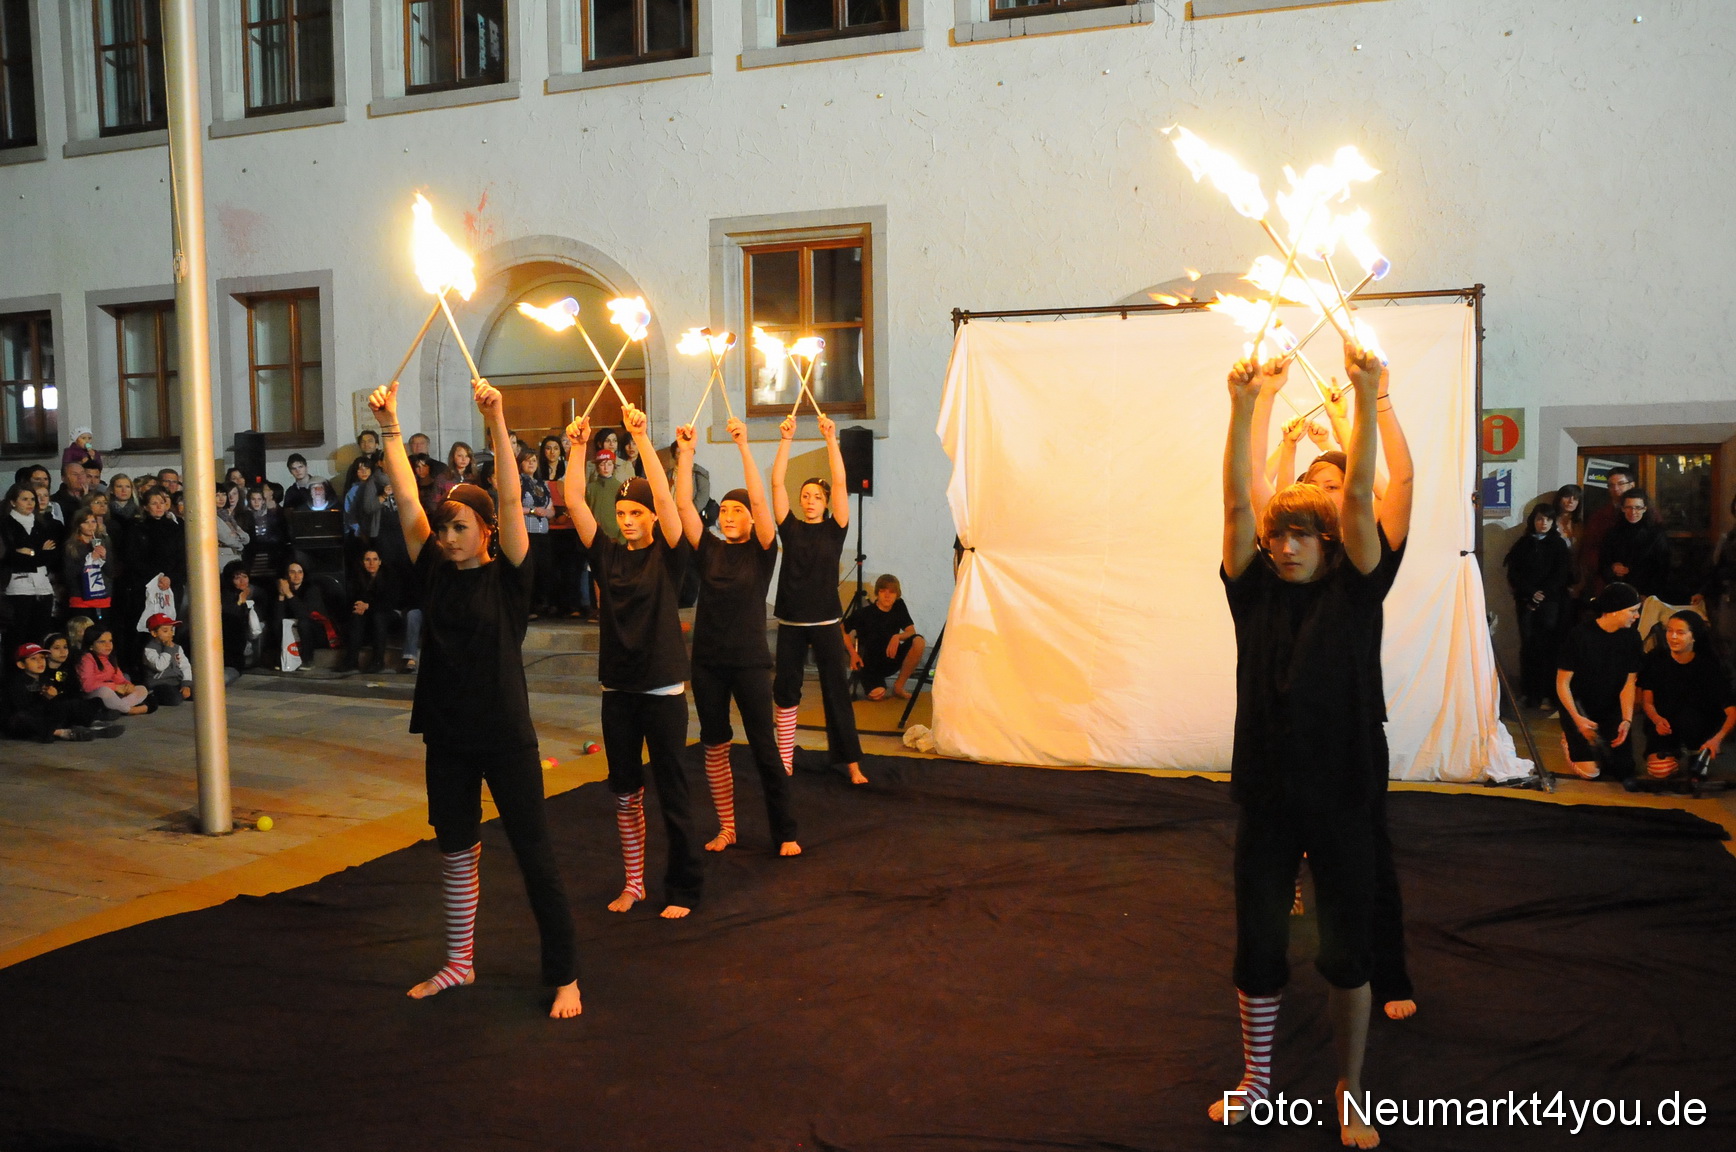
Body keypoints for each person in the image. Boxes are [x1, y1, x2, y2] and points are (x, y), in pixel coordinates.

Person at [1212, 341, 1390, 1148]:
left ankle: (1353, 1091)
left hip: (1344, 795)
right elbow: (1236, 510)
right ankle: (1258, 1079)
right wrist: (1245, 407)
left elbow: (1359, 503)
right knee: (1260, 942)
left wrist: (1364, 396)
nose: (1282, 546)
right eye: (1277, 535)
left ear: (1328, 546)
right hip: (1270, 797)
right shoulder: (1253, 596)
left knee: (1349, 952)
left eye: (1298, 537)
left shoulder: (1356, 593)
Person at [369, 376, 581, 1019]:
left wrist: (497, 419)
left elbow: (513, 499)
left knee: (534, 853)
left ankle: (565, 974)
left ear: (486, 530)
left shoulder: (510, 576)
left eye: (458, 527)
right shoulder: (433, 567)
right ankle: (460, 961)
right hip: (447, 733)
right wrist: (390, 426)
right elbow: (407, 495)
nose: (446, 535)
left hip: (504, 734)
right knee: (455, 847)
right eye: (442, 528)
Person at [563, 407, 702, 918]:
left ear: (650, 518)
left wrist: (642, 439)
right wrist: (575, 446)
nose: (626, 522)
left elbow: (668, 500)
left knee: (672, 793)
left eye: (634, 515)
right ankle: (635, 882)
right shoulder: (607, 554)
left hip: (662, 689)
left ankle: (684, 889)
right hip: (617, 690)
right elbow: (574, 500)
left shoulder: (667, 553)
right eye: (622, 515)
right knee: (624, 793)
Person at [677, 416, 800, 858]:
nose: (728, 516)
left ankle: (784, 830)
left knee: (765, 748)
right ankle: (727, 827)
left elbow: (764, 504)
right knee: (714, 743)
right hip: (708, 662)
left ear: (751, 520)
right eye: (725, 510)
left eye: (738, 511)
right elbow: (684, 508)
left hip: (749, 662)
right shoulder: (708, 548)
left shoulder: (763, 551)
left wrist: (744, 446)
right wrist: (686, 455)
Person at [769, 414, 868, 785]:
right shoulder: (789, 525)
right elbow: (776, 481)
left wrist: (831, 440)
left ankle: (851, 761)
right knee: (785, 689)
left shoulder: (835, 527)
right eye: (806, 496)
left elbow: (841, 480)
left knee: (836, 691)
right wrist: (786, 439)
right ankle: (784, 758)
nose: (810, 501)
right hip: (792, 620)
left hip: (826, 621)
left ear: (827, 503)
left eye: (817, 497)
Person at [1637, 610, 1735, 791]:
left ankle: (1695, 753)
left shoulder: (1710, 666)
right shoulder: (1656, 659)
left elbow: (1731, 711)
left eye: (1681, 632)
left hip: (1697, 724)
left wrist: (1717, 739)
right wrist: (1657, 719)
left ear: (1694, 636)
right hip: (1664, 723)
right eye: (1669, 631)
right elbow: (1647, 701)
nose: (1673, 637)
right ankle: (1674, 753)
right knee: (1660, 770)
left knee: (1696, 764)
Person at [1556, 582, 1645, 782]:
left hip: (1610, 706)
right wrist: (1577, 719)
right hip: (1580, 707)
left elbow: (1628, 683)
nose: (1637, 616)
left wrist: (1626, 720)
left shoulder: (1632, 637)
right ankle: (1568, 740)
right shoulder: (1580, 635)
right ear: (1614, 611)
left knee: (1623, 770)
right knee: (1591, 772)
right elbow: (1562, 684)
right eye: (1632, 611)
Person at [1504, 503, 1574, 709]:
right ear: (1533, 521)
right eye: (1539, 519)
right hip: (1526, 602)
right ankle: (1529, 693)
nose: (1543, 523)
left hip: (1551, 603)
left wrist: (1542, 594)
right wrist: (1530, 593)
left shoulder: (1558, 544)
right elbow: (1513, 573)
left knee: (1548, 647)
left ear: (1553, 522)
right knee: (1528, 647)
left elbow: (1561, 574)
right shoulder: (1523, 544)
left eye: (1547, 520)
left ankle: (1548, 694)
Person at [5, 643, 120, 743]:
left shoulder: (45, 679)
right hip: (28, 722)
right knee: (21, 718)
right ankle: (63, 733)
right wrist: (46, 699)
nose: (40, 662)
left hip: (46, 716)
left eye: (42, 658)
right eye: (33, 659)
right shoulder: (16, 683)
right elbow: (25, 708)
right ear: (21, 664)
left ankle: (92, 722)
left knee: (75, 703)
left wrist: (54, 698)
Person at [844, 575, 925, 700]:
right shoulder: (864, 614)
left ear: (897, 594)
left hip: (891, 657)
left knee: (918, 641)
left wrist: (897, 637)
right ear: (877, 593)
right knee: (878, 695)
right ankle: (874, 683)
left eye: (892, 592)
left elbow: (911, 631)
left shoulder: (899, 606)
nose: (887, 596)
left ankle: (899, 686)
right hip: (871, 665)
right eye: (883, 591)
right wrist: (853, 654)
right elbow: (841, 629)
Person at [3, 483, 58, 659]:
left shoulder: (41, 525)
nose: (30, 503)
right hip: (17, 586)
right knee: (18, 635)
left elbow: (51, 555)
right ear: (13, 502)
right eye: (24, 499)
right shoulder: (5, 525)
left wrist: (32, 552)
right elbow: (10, 557)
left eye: (32, 499)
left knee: (39, 634)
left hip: (42, 584)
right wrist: (39, 553)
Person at [537, 434, 585, 620]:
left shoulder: (568, 468)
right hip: (547, 527)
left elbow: (578, 493)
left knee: (571, 568)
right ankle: (553, 604)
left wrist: (565, 515)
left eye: (556, 448)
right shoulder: (538, 471)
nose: (552, 452)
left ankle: (573, 604)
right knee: (551, 568)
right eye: (548, 448)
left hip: (569, 525)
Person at [1600, 487, 1672, 600]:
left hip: (1649, 594)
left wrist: (1648, 594)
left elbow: (1663, 569)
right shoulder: (1613, 533)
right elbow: (1603, 562)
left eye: (1638, 508)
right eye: (1629, 507)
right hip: (1620, 592)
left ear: (1645, 509)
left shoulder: (1656, 534)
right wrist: (1613, 568)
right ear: (1622, 509)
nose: (1633, 512)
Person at [1578, 466, 1635, 595]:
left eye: (1621, 484)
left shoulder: (1646, 513)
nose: (1616, 489)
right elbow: (1590, 548)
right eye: (1611, 485)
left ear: (1631, 485)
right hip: (1606, 578)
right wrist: (1610, 567)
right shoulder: (1600, 516)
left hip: (1639, 578)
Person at [275, 559, 341, 668]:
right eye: (292, 572)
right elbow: (278, 617)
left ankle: (307, 660)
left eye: (300, 572)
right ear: (286, 576)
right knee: (278, 623)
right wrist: (281, 595)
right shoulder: (285, 590)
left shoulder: (311, 590)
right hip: (294, 631)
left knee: (304, 622)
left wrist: (288, 593)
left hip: (317, 632)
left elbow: (304, 614)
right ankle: (281, 659)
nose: (297, 575)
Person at [344, 548, 399, 673]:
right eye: (367, 559)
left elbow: (389, 603)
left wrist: (368, 606)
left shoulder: (390, 576)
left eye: (375, 559)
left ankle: (378, 661)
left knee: (378, 616)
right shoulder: (358, 578)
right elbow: (354, 600)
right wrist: (360, 607)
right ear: (362, 562)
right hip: (368, 616)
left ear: (380, 562)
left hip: (390, 615)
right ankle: (351, 660)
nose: (371, 563)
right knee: (356, 616)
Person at [76, 627, 152, 717]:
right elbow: (87, 686)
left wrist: (128, 686)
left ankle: (117, 708)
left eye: (110, 641)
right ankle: (129, 710)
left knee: (141, 689)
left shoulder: (109, 658)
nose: (108, 645)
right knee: (105, 691)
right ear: (91, 645)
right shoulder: (87, 659)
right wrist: (115, 687)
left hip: (113, 694)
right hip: (93, 695)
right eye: (102, 642)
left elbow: (120, 679)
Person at [516, 451, 554, 619]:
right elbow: (513, 506)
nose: (531, 463)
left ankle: (540, 605)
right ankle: (527, 607)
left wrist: (546, 512)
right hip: (527, 532)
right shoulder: (518, 482)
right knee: (528, 570)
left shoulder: (542, 484)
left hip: (542, 533)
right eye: (527, 460)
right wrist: (532, 510)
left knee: (543, 570)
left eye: (533, 460)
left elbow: (551, 510)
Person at [63, 509, 114, 630]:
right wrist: (89, 559)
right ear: (78, 525)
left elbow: (111, 572)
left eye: (93, 521)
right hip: (81, 599)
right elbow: (69, 574)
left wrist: (104, 557)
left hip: (102, 599)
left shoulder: (103, 542)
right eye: (86, 522)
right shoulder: (71, 546)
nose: (91, 525)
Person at [220, 560, 268, 685]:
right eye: (237, 578)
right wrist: (240, 601)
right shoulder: (225, 595)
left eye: (245, 576)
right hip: (229, 645)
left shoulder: (255, 592)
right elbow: (229, 616)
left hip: (246, 641)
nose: (242, 581)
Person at [141, 613, 194, 706]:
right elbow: (160, 666)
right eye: (165, 631)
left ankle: (182, 692)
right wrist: (168, 649)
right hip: (159, 683)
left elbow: (185, 666)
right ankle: (151, 695)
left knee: (203, 692)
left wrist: (186, 684)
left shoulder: (177, 648)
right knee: (174, 699)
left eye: (172, 630)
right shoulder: (149, 650)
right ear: (154, 633)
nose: (171, 633)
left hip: (177, 681)